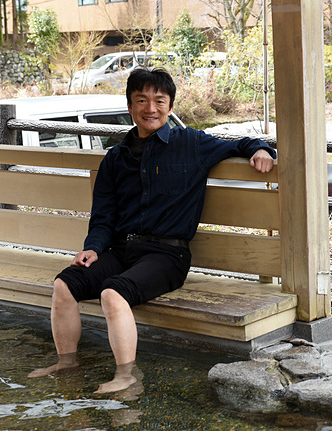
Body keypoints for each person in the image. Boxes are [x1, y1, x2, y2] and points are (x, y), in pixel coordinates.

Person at [29, 67, 276, 393]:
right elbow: (103, 217)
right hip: (121, 250)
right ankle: (67, 364)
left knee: (113, 293)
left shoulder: (192, 143)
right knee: (64, 284)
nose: (151, 108)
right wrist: (93, 248)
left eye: (159, 101)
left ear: (170, 106)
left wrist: (261, 150)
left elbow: (243, 143)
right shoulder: (115, 158)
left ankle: (126, 377)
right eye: (141, 100)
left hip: (167, 255)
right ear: (130, 107)